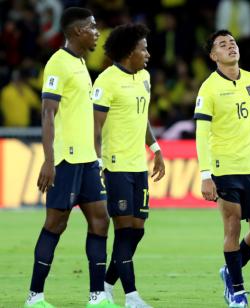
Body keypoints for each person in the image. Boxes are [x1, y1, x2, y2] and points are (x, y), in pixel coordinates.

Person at [25, 7, 119, 308]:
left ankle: (97, 297)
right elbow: (47, 113)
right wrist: (49, 160)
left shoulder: (80, 63)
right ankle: (35, 297)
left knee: (100, 221)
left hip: (87, 160)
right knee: (55, 224)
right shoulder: (58, 64)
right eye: (92, 27)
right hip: (65, 161)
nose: (97, 32)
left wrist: (97, 154)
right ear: (77, 31)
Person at [194, 29, 250, 308]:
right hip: (223, 166)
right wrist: (206, 175)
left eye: (233, 42)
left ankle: (230, 271)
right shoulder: (209, 88)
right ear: (213, 56)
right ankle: (237, 292)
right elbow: (201, 134)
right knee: (232, 227)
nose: (230, 47)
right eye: (223, 45)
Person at [92, 23, 165, 308]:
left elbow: (141, 116)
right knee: (123, 230)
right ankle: (132, 297)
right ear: (127, 52)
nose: (147, 53)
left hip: (138, 165)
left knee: (137, 229)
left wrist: (156, 148)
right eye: (143, 48)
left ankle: (107, 285)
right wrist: (97, 164)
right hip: (115, 165)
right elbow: (95, 128)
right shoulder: (106, 81)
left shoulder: (145, 77)